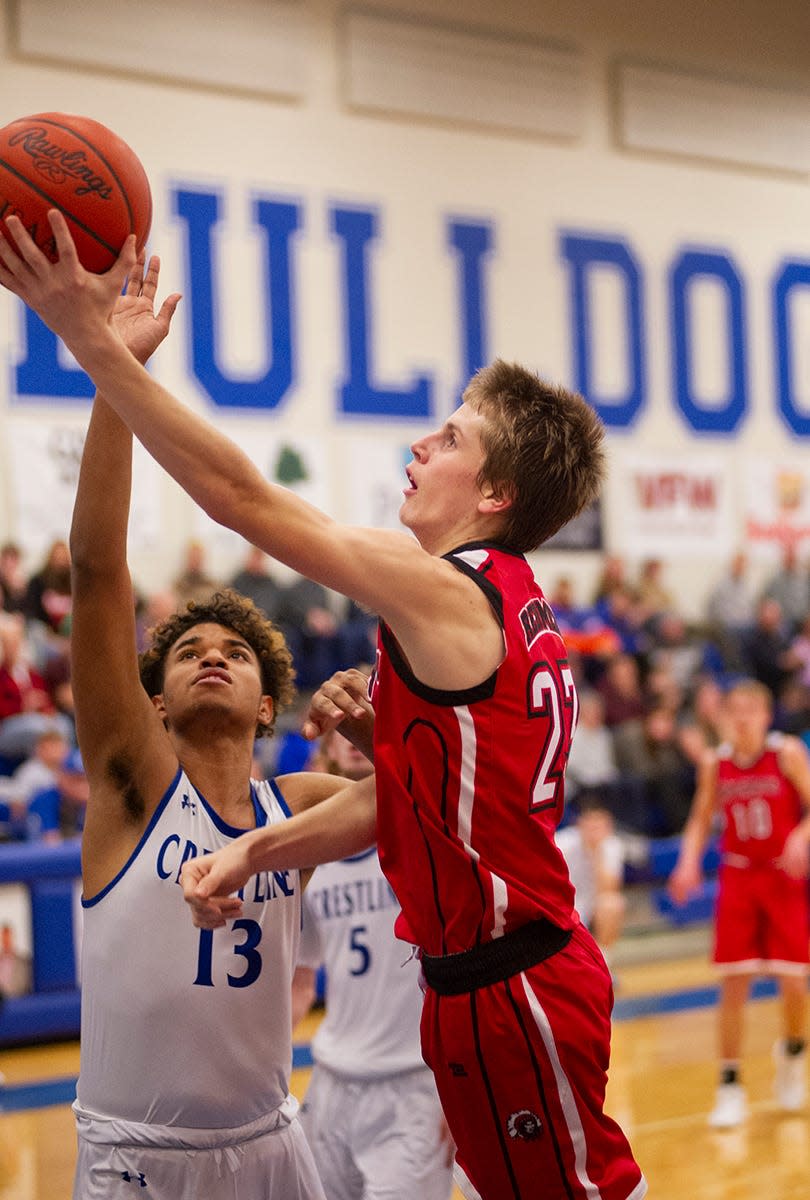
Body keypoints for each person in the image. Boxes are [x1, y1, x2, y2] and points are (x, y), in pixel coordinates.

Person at [0, 211, 646, 1200]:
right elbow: (415, 805)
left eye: (453, 436)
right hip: (465, 990)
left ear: (496, 495)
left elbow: (241, 497)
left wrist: (89, 345)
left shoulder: (452, 586)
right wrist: (256, 848)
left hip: (509, 979)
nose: (422, 444)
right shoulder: (482, 612)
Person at [26, 252, 376, 1200]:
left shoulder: (294, 805)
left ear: (269, 703)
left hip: (274, 1144)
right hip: (141, 1159)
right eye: (186, 653)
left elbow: (418, 797)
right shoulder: (133, 781)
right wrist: (116, 372)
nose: (210, 655)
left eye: (234, 650)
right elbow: (98, 568)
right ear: (157, 701)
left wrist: (384, 739)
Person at [292, 717, 453, 1200]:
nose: (351, 739)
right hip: (332, 1081)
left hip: (416, 1084)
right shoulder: (309, 858)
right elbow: (301, 983)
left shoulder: (433, 838)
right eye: (338, 729)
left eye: (363, 719)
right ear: (325, 754)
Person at [668, 679, 810, 1128]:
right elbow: (698, 818)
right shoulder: (716, 762)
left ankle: (792, 1054)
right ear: (726, 716)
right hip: (738, 875)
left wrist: (801, 836)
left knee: (792, 983)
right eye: (736, 709)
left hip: (782, 876)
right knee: (733, 983)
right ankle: (729, 1086)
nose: (743, 717)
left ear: (767, 716)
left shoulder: (785, 753)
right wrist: (688, 863)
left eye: (752, 709)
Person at [555, 795, 626, 972]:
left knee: (612, 903)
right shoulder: (562, 843)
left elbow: (609, 889)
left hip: (591, 912)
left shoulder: (612, 846)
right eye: (590, 825)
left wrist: (597, 853)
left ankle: (603, 965)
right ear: (579, 824)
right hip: (563, 910)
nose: (595, 830)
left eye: (599, 825)